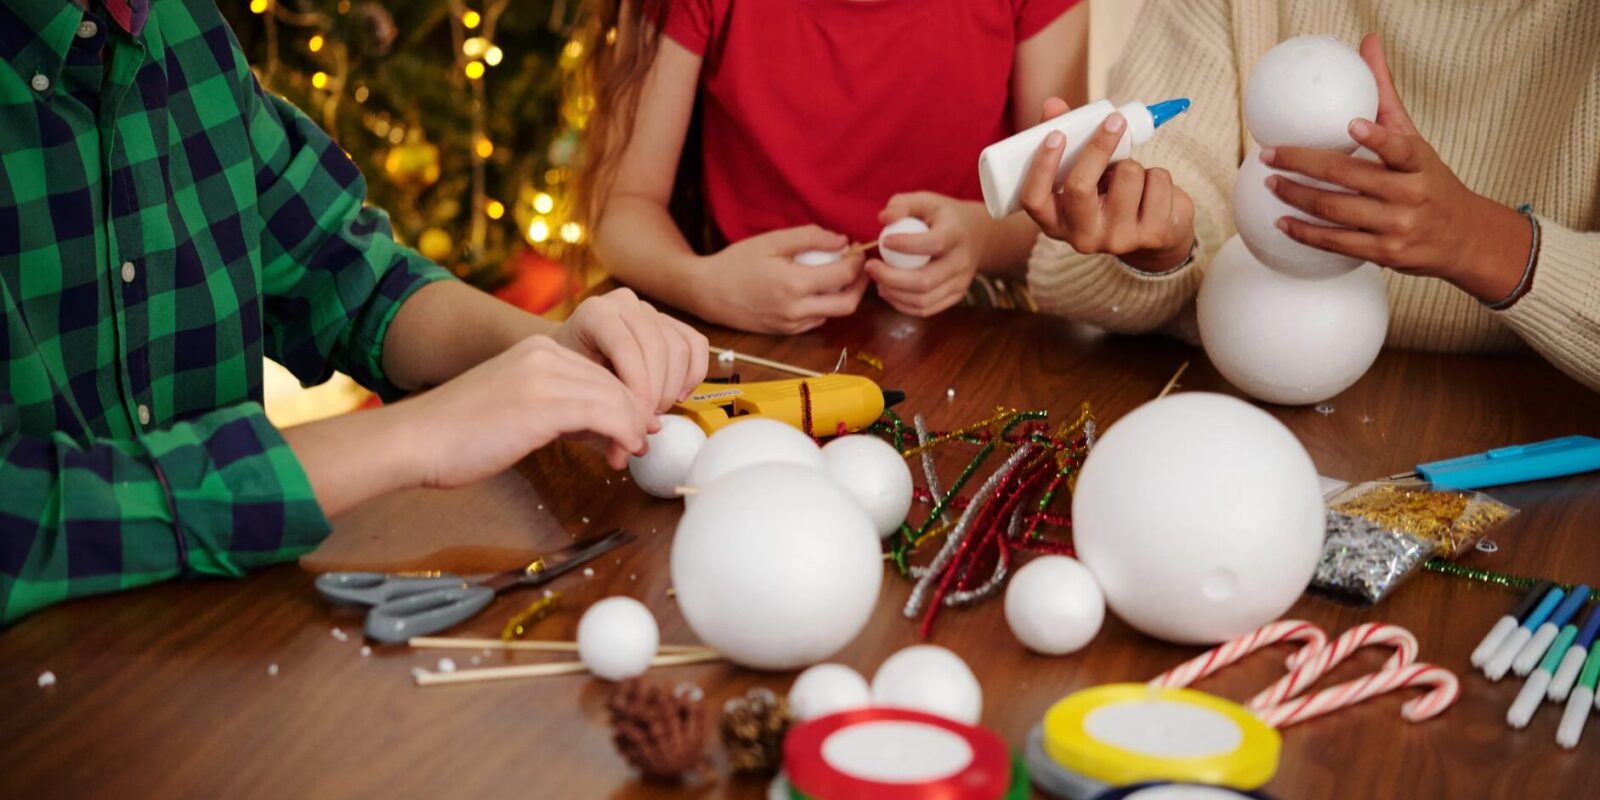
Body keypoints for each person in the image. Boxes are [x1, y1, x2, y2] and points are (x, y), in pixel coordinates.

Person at [0, 0, 708, 624]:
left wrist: (553, 351)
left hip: (218, 649)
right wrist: (414, 439)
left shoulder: (182, 30)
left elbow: (350, 275)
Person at [1018, 0, 1600, 392]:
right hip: (1228, 412)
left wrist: (1483, 243)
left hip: (1524, 429)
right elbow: (1176, 167)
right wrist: (1156, 245)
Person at [579, 0, 1089, 334]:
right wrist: (705, 285)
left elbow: (1064, 209)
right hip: (751, 333)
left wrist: (979, 239)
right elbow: (622, 205)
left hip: (968, 326)